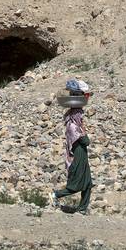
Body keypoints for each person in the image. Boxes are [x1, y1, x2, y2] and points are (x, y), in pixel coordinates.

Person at [52, 79, 93, 215]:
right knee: (75, 185)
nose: (82, 118)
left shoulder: (75, 125)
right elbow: (85, 141)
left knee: (87, 184)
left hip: (83, 156)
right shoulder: (73, 126)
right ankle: (56, 195)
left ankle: (82, 209)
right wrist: (84, 130)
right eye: (80, 117)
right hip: (77, 157)